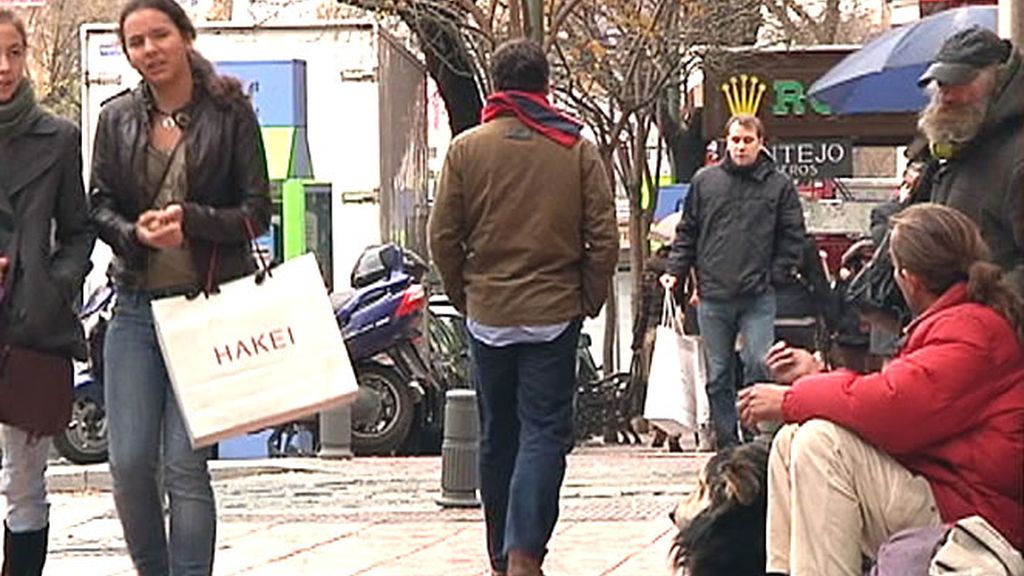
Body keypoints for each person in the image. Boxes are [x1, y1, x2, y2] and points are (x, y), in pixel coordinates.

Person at [738, 203, 1024, 575]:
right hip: (945, 491)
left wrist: (792, 398)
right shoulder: (962, 321)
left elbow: (892, 407)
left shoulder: (973, 332)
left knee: (822, 444)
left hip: (972, 514)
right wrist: (815, 375)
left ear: (910, 279)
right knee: (791, 439)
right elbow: (897, 395)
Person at [88, 1, 270, 574]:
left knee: (184, 465)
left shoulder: (230, 111)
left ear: (185, 36)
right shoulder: (116, 117)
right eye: (136, 42)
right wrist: (134, 232)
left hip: (206, 307)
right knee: (130, 462)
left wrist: (191, 220)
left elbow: (256, 212)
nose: (149, 50)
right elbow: (99, 207)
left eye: (159, 36)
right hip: (136, 306)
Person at [427, 39, 618, 576]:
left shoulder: (466, 149)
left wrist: (466, 297)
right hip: (553, 315)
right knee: (543, 435)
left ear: (495, 85)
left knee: (498, 436)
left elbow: (443, 235)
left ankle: (498, 553)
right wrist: (588, 297)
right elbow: (603, 236)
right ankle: (525, 552)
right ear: (545, 88)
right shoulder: (574, 148)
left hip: (488, 314)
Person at [0, 10, 94, 575]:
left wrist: (54, 283)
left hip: (33, 325)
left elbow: (79, 230)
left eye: (13, 52)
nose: (2, 66)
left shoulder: (58, 138)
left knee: (25, 478)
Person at [661, 114, 806, 450]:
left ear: (760, 142)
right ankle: (726, 440)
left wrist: (778, 272)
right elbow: (689, 232)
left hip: (758, 293)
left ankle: (757, 432)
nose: (740, 147)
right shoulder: (705, 182)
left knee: (759, 361)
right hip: (714, 293)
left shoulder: (778, 185)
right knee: (718, 372)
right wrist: (676, 270)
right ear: (726, 142)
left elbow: (793, 234)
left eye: (747, 140)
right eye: (735, 140)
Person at [916, 25, 1023, 295]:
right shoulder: (961, 147)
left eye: (959, 83)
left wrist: (981, 309)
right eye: (941, 84)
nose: (946, 95)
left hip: (994, 329)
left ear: (998, 78)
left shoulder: (1015, 155)